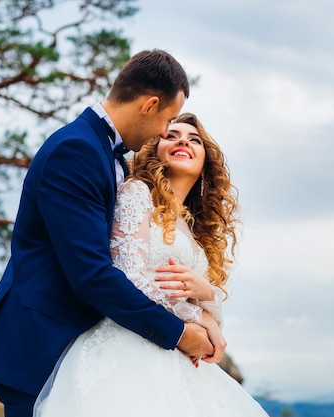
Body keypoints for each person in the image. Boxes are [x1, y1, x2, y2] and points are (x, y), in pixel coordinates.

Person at [0, 50, 225, 417]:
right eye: (167, 121)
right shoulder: (77, 150)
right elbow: (92, 273)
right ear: (149, 105)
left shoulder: (105, 155)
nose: (165, 133)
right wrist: (182, 332)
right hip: (42, 343)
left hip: (85, 341)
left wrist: (206, 310)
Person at [33, 112, 269, 416]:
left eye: (194, 140)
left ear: (206, 163)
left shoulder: (194, 231)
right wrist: (199, 316)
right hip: (130, 347)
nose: (183, 140)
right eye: (172, 135)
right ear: (154, 148)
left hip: (180, 360)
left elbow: (212, 320)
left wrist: (207, 292)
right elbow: (129, 276)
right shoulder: (137, 193)